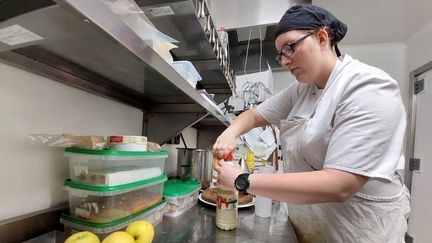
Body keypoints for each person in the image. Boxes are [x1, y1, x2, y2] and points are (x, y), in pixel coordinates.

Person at [212, 4, 410, 243]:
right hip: (314, 228)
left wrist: (243, 179)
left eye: (290, 48)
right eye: (280, 54)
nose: (284, 61)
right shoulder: (303, 91)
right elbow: (254, 115)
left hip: (359, 232)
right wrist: (229, 134)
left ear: (322, 37)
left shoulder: (368, 87)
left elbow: (340, 184)